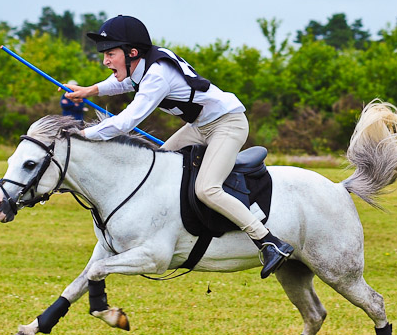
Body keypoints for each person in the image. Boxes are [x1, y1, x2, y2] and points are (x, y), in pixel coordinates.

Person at [64, 15, 293, 278]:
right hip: (199, 126)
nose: (105, 61)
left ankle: (269, 242)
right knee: (158, 168)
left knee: (207, 188)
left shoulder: (157, 76)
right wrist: (89, 91)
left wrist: (82, 136)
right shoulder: (143, 66)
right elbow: (125, 83)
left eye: (110, 54)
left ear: (132, 52)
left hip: (227, 125)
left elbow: (126, 122)